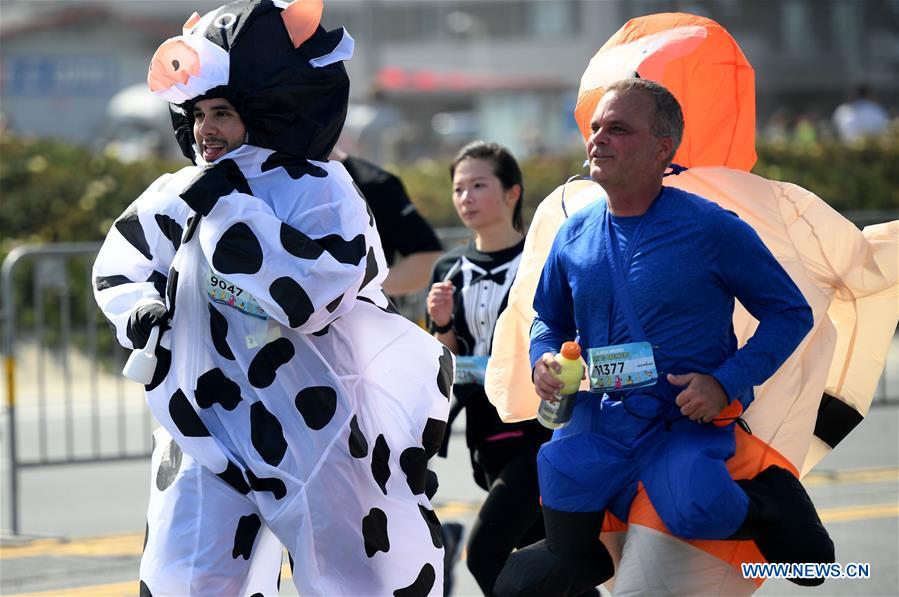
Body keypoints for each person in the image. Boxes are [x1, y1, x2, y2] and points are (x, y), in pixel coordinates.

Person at [92, 3, 450, 595]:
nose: (207, 129)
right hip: (203, 428)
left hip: (317, 430)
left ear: (262, 112)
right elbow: (122, 264)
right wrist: (138, 309)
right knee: (187, 578)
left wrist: (229, 210)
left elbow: (318, 293)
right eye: (199, 113)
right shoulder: (175, 191)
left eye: (223, 113)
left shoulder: (320, 187)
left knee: (355, 577)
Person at [495, 79, 835, 596]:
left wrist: (726, 382)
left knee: (694, 504)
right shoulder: (573, 232)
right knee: (559, 476)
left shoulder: (712, 229)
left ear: (663, 149)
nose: (598, 139)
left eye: (619, 129)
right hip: (600, 420)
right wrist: (544, 358)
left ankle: (767, 506)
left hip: (682, 421)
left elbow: (789, 313)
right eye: (595, 128)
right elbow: (549, 320)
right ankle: (577, 555)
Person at [425, 141, 554, 596]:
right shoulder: (448, 270)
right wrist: (441, 323)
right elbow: (446, 362)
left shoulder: (541, 263)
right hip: (482, 436)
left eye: (479, 185)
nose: (466, 198)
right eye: (459, 188)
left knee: (486, 556)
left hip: (539, 434)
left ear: (512, 193)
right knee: (544, 557)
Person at [331, 147, 443, 296]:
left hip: (362, 317)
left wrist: (357, 293)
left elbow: (429, 259)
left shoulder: (374, 184)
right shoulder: (291, 182)